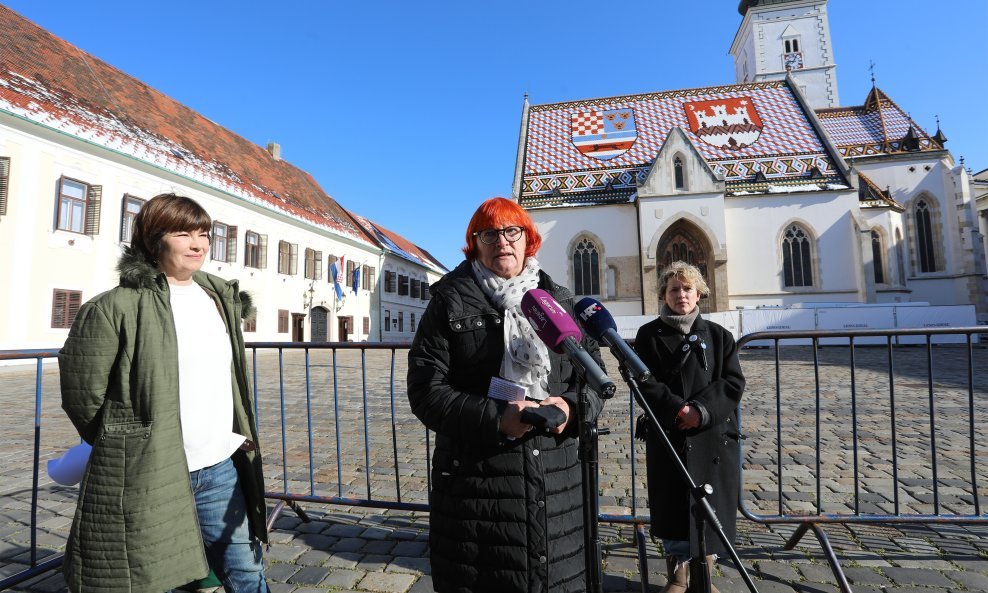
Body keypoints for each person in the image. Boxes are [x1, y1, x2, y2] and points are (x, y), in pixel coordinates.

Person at [58, 193, 269, 592]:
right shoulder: (112, 308)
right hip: (152, 470)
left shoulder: (218, 299)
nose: (198, 244)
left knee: (245, 569)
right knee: (155, 575)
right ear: (154, 239)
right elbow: (82, 397)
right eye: (183, 233)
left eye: (204, 233)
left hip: (219, 464)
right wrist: (127, 444)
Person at [407, 197, 605, 593]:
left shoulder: (559, 300)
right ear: (474, 243)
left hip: (556, 478)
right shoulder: (450, 301)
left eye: (511, 231)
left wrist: (569, 407)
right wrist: (497, 417)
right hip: (479, 483)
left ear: (527, 239)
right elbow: (426, 392)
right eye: (489, 233)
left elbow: (595, 380)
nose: (502, 242)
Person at [633, 261, 745, 593]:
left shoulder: (720, 335)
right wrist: (677, 409)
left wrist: (700, 410)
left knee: (709, 508)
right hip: (670, 434)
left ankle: (704, 576)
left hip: (709, 436)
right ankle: (678, 575)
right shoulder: (648, 335)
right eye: (674, 289)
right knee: (674, 505)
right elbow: (644, 381)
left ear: (699, 293)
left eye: (687, 289)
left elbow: (733, 382)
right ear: (663, 295)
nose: (681, 295)